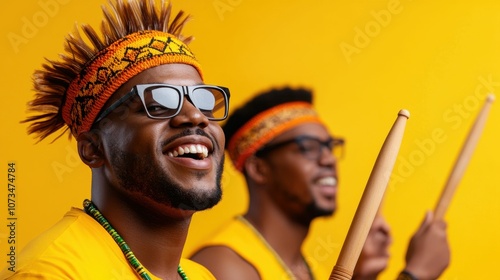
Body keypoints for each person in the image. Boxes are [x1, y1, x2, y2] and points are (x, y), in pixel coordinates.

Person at [0, 0, 230, 279]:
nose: (196, 117)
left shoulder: (200, 276)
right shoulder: (52, 273)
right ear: (93, 149)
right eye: (158, 104)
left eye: (204, 102)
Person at [189, 87, 450, 280]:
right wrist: (415, 275)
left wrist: (359, 276)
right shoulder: (223, 268)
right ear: (259, 169)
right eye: (309, 148)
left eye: (330, 146)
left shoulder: (306, 268)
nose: (328, 159)